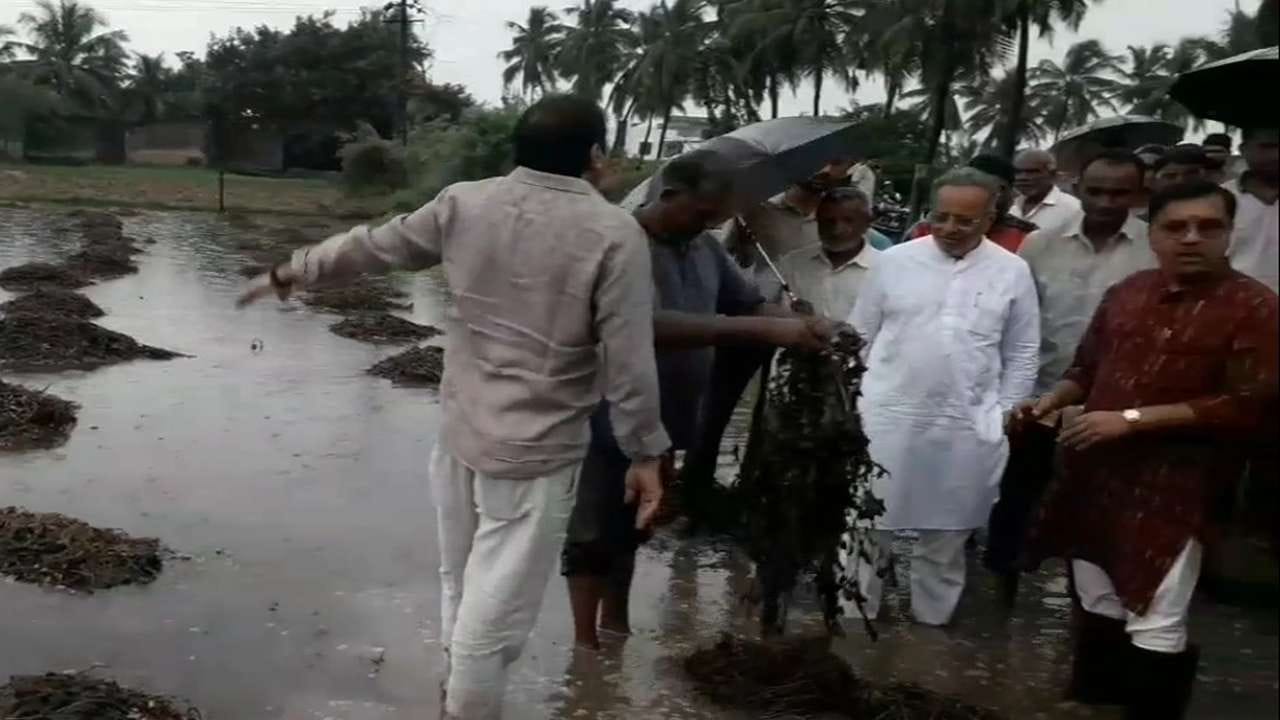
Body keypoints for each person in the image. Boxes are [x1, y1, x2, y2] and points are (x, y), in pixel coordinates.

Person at [237, 95, 669, 720]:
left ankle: (454, 693)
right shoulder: (612, 232)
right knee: (494, 620)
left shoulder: (465, 202)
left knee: (461, 583)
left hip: (461, 432)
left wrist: (291, 272)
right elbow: (630, 361)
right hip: (537, 455)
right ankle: (465, 705)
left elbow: (372, 247)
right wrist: (646, 452)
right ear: (595, 156)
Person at [1018, 180, 1279, 718]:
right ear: (1152, 233)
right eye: (1175, 226)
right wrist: (1052, 400)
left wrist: (1132, 421)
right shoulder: (1129, 290)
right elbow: (1086, 367)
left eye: (1208, 227)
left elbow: (1248, 404)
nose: (1191, 238)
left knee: (1157, 613)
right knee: (1098, 597)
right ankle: (1092, 703)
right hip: (1095, 471)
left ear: (1229, 234)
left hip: (1178, 483)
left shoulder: (1256, 306)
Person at [561, 152, 833, 650]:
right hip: (608, 414)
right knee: (592, 528)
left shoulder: (704, 248)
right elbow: (650, 324)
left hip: (668, 418)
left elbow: (747, 302)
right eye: (702, 213)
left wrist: (805, 322)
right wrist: (769, 330)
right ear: (668, 196)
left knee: (636, 524)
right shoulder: (619, 242)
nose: (709, 225)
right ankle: (584, 646)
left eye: (717, 217)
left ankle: (615, 625)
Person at [848, 167, 1040, 626]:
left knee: (948, 533)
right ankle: (856, 624)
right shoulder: (893, 262)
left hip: (967, 424)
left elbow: (1023, 350)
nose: (951, 229)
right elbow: (859, 334)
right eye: (942, 217)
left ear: (991, 217)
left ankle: (931, 630)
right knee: (869, 526)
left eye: (966, 221)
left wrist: (1003, 417)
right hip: (887, 415)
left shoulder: (1012, 271)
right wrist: (852, 405)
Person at [985, 150, 1157, 605]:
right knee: (1018, 496)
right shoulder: (1041, 243)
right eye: (1096, 190)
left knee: (1098, 505)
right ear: (1078, 188)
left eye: (1119, 192)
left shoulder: (1153, 246)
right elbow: (1017, 317)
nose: (1105, 201)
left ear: (1139, 194)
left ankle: (1096, 602)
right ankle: (1002, 590)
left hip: (1116, 402)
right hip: (1042, 393)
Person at [777, 186, 881, 320]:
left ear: (867, 222)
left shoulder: (885, 267)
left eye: (848, 221)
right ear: (818, 222)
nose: (837, 230)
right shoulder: (793, 263)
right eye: (829, 222)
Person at [909, 154, 1039, 253]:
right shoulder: (923, 230)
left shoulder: (1027, 236)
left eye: (998, 190)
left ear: (1011, 193)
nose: (950, 229)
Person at [1224, 126, 1279, 294]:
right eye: (1267, 147)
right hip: (1238, 304)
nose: (1276, 156)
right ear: (1243, 149)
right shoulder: (1220, 199)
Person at [1012, 148, 1083, 239]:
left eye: (1032, 172)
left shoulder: (1073, 209)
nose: (1022, 178)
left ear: (1052, 174)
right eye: (1017, 172)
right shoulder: (1009, 206)